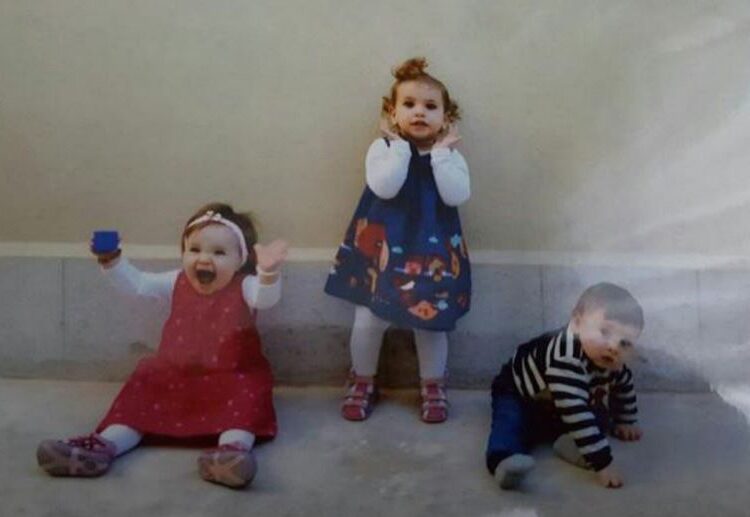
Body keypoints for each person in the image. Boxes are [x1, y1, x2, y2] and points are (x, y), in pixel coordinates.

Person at [36, 202, 288, 489]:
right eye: (194, 250)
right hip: (176, 374)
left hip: (231, 375)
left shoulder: (245, 286)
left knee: (247, 394)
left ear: (241, 259)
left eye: (219, 253)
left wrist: (268, 273)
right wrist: (112, 261)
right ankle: (104, 446)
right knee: (143, 385)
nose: (204, 259)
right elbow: (139, 285)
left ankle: (231, 453)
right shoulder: (176, 281)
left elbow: (264, 299)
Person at [325, 57, 471, 423]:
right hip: (384, 251)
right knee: (368, 317)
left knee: (430, 322)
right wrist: (401, 148)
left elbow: (456, 194)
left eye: (430, 106)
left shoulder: (449, 157)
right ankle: (363, 379)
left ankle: (433, 383)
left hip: (431, 254)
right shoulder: (383, 150)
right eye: (409, 104)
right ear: (392, 114)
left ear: (446, 119)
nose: (419, 112)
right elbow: (385, 187)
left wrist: (440, 155)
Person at [485, 283, 644, 489]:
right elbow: (576, 411)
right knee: (510, 422)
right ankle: (505, 461)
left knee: (600, 417)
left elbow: (623, 384)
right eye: (605, 332)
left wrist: (625, 420)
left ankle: (568, 442)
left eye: (625, 343)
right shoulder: (565, 357)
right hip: (521, 395)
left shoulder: (611, 360)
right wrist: (603, 463)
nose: (614, 347)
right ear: (577, 323)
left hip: (561, 400)